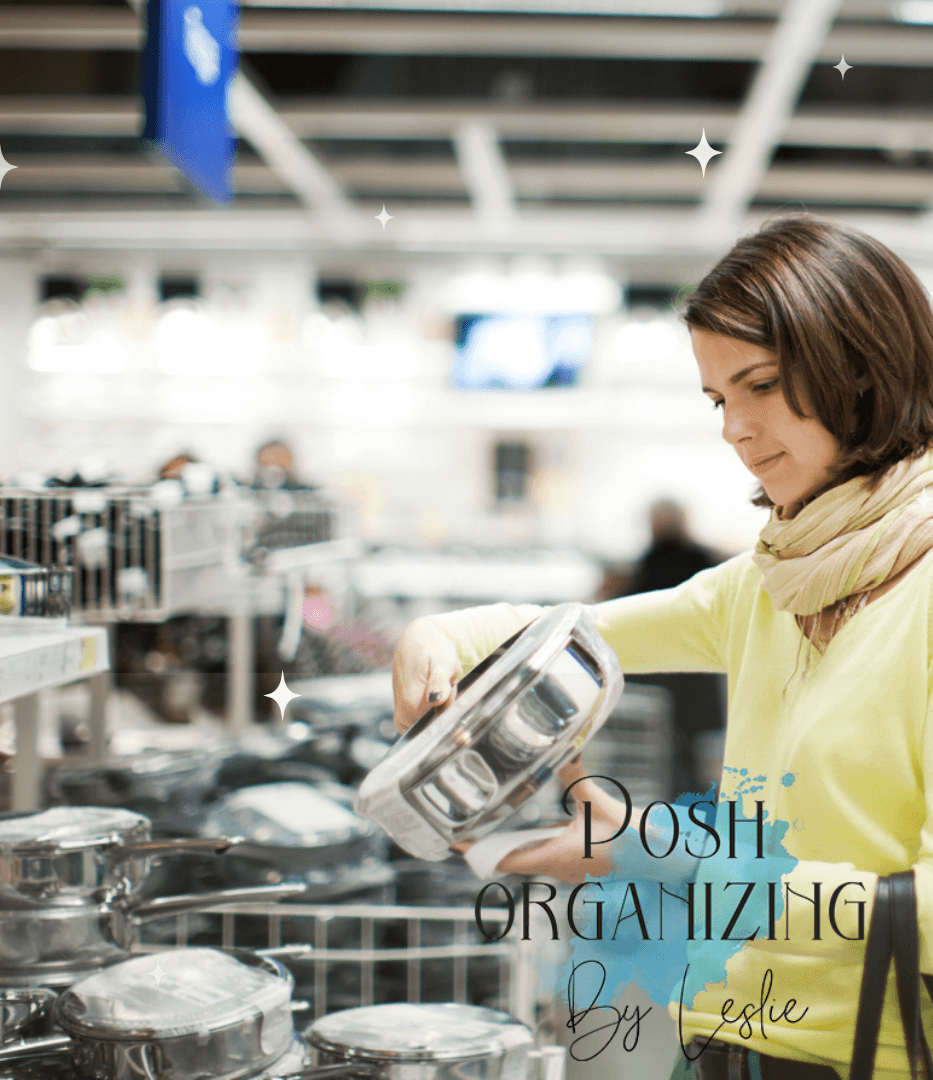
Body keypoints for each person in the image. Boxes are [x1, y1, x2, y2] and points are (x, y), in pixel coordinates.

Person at [391, 214, 933, 1080]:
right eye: (720, 399)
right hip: (717, 1028)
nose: (735, 431)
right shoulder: (771, 579)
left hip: (859, 1053)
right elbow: (565, 632)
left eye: (761, 384)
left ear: (862, 369)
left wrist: (660, 851)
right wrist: (438, 636)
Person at [625, 498, 727, 799]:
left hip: (661, 669)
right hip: (697, 670)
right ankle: (696, 802)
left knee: (660, 742)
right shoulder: (705, 560)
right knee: (692, 746)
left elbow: (635, 608)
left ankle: (670, 803)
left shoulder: (649, 560)